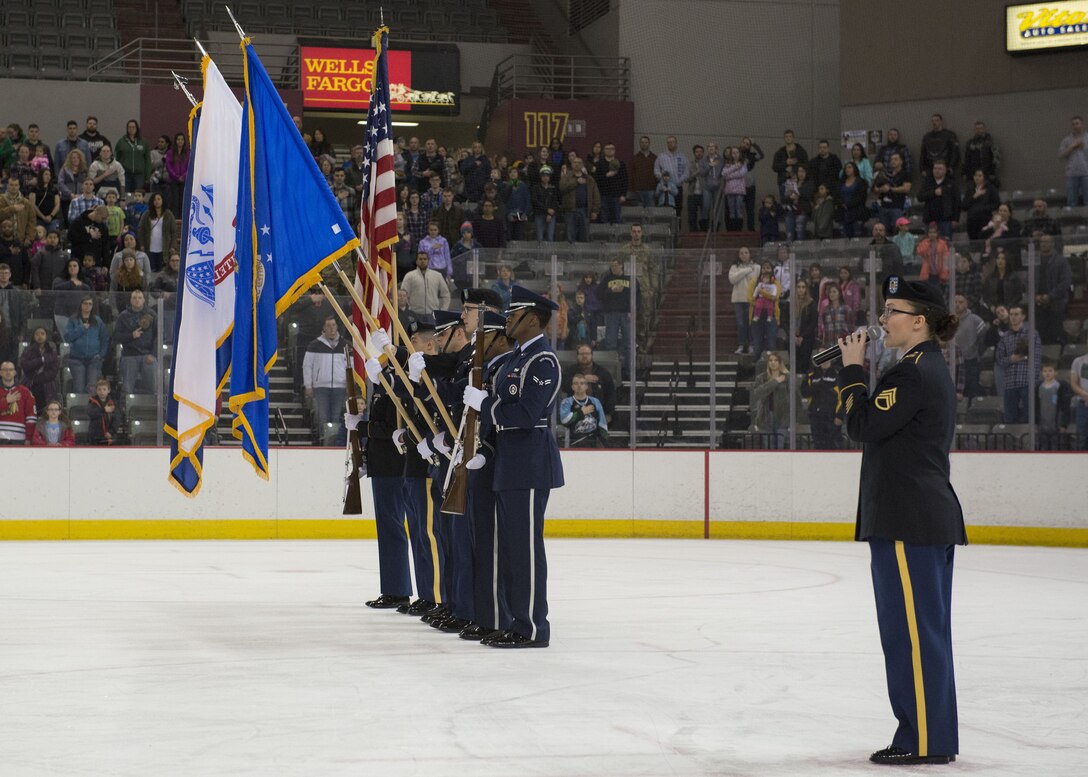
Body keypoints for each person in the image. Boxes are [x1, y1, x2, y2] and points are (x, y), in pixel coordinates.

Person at [836, 274, 966, 766]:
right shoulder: (922, 367)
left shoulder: (911, 372)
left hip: (908, 521)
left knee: (911, 634)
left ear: (919, 321)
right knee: (922, 633)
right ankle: (930, 735)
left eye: (892, 310)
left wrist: (852, 371)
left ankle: (923, 740)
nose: (882, 319)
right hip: (917, 519)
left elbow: (863, 424)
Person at [461, 285, 564, 647]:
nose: (506, 319)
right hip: (509, 461)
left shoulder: (543, 361)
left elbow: (526, 413)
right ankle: (516, 621)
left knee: (526, 549)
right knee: (510, 550)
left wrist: (486, 404)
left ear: (533, 319)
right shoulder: (517, 360)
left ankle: (533, 627)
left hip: (531, 462)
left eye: (513, 313)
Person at [302, 316, 347, 446]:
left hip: (340, 386)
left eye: (333, 325)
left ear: (337, 327)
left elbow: (351, 367)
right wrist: (308, 385)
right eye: (328, 325)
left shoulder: (345, 345)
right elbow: (307, 365)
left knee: (336, 416)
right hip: (321, 386)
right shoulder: (314, 345)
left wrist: (350, 385)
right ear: (324, 328)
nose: (331, 328)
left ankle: (334, 443)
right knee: (323, 416)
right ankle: (324, 442)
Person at [996, 304, 1042, 423]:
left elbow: (1036, 359)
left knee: (1029, 417)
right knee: (1010, 418)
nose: (1013, 317)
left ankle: (1028, 441)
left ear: (1023, 317)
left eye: (1016, 314)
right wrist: (1011, 359)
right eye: (1011, 314)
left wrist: (1034, 380)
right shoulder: (1005, 337)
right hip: (1010, 382)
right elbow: (1000, 360)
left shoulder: (1032, 334)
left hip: (1027, 381)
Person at [112, 288, 157, 394]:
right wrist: (131, 335)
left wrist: (153, 354)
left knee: (153, 388)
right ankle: (126, 407)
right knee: (127, 389)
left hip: (148, 356)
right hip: (129, 356)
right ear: (130, 300)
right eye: (134, 298)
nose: (137, 300)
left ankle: (152, 406)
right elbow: (116, 337)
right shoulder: (123, 316)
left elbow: (158, 336)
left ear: (144, 300)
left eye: (140, 298)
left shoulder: (152, 314)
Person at [561, 343, 617, 425]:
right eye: (581, 354)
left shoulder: (602, 372)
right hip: (575, 412)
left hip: (598, 413)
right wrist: (583, 379)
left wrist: (609, 414)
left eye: (587, 354)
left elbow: (610, 394)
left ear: (592, 355)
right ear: (577, 356)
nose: (584, 356)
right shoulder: (570, 371)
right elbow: (564, 387)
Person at [65, 295, 110, 395]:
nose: (87, 306)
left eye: (90, 304)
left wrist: (101, 354)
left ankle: (92, 409)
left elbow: (105, 338)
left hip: (94, 359)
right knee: (79, 388)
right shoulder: (73, 319)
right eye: (85, 303)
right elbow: (67, 337)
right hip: (76, 359)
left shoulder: (98, 321)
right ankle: (79, 410)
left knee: (92, 388)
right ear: (81, 305)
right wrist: (81, 328)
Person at [749, 352, 794, 448]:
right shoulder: (761, 378)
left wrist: (792, 419)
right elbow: (757, 393)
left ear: (780, 362)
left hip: (782, 417)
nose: (773, 363)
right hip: (766, 417)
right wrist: (775, 381)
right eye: (770, 360)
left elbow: (794, 398)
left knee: (780, 447)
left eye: (775, 360)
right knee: (768, 448)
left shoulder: (787, 378)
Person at [802, 360, 842, 449]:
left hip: (832, 416)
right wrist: (819, 385)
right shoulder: (811, 373)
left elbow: (845, 395)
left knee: (833, 445)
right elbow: (804, 392)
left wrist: (840, 415)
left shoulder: (838, 372)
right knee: (818, 445)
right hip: (816, 415)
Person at [559, 374, 608, 447]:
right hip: (572, 445)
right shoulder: (567, 402)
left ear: (586, 386)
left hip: (592, 444)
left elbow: (602, 424)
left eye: (582, 383)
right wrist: (581, 413)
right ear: (572, 387)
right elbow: (564, 420)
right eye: (576, 383)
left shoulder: (595, 401)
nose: (579, 386)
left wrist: (604, 443)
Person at [18, 326, 60, 412]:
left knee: (45, 412)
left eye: (42, 334)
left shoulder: (51, 352)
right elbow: (25, 366)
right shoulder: (28, 351)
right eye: (37, 334)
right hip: (30, 384)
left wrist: (39, 378)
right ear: (33, 336)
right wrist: (41, 360)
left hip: (47, 386)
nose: (40, 336)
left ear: (46, 336)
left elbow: (54, 370)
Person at [1035, 358, 1072, 450]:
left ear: (1056, 373)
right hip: (1042, 424)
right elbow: (1035, 407)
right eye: (1045, 371)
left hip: (1056, 425)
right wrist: (1036, 423)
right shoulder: (1038, 387)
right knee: (1043, 447)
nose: (1047, 373)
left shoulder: (1061, 386)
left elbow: (1065, 407)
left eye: (1050, 371)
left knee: (1056, 447)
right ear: (1042, 373)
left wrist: (1063, 424)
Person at [729, 246, 760, 355]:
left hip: (751, 299)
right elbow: (733, 279)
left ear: (750, 254)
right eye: (741, 253)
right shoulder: (734, 267)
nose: (744, 255)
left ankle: (751, 344)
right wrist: (746, 270)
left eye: (746, 252)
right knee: (741, 323)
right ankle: (741, 345)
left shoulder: (756, 267)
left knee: (751, 323)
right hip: (738, 299)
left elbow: (757, 281)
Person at [400, 251, 451, 316]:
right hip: (414, 314)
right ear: (416, 261)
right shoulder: (409, 276)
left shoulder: (437, 276)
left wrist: (443, 310)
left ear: (428, 261)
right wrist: (408, 310)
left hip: (433, 314)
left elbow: (446, 295)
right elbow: (402, 295)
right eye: (420, 259)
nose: (422, 261)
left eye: (425, 259)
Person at [748, 266, 781, 360]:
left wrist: (761, 291)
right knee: (757, 346)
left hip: (771, 315)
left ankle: (773, 370)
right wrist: (760, 303)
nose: (766, 271)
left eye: (768, 268)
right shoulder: (754, 282)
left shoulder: (776, 284)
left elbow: (775, 297)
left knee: (771, 345)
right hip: (757, 315)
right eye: (764, 269)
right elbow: (750, 298)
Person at [0, 360, 36, 445]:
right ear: (0, 372)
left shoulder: (25, 391)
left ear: (15, 372)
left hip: (19, 438)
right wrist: (6, 401)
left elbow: (31, 417)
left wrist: (28, 438)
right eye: (5, 370)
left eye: (10, 369)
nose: (8, 372)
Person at [1058, 115, 1088, 206]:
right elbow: (1060, 155)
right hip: (1071, 175)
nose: (1076, 125)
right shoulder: (1066, 140)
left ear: (1082, 124)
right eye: (1073, 124)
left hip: (1086, 174)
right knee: (1072, 201)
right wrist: (1071, 146)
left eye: (1077, 123)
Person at [86, 377, 121, 445]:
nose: (102, 392)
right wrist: (104, 410)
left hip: (109, 436)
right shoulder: (92, 401)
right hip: (94, 437)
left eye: (104, 389)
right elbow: (90, 413)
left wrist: (111, 432)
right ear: (96, 390)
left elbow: (117, 419)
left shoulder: (113, 403)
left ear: (109, 390)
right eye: (99, 389)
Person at [1070, 349, 1088, 450]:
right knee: (1081, 437)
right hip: (1083, 404)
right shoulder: (1078, 361)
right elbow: (1074, 384)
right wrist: (1085, 395)